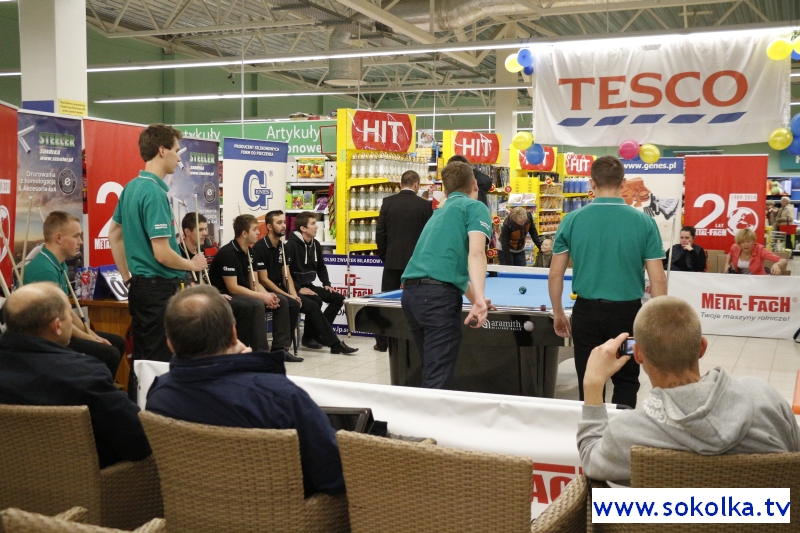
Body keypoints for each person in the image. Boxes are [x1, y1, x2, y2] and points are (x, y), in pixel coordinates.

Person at [146, 285, 345, 497]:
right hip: (280, 511)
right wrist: (251, 370)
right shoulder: (278, 396)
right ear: (234, 334)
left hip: (189, 509)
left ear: (170, 344)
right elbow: (335, 474)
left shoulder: (159, 395)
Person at [577, 296, 800, 485]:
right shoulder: (764, 398)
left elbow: (590, 459)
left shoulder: (628, 432)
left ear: (637, 355)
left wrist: (593, 384)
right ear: (702, 347)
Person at [549, 155, 667, 409]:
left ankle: (592, 429)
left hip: (586, 315)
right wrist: (658, 321)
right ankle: (622, 427)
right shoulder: (644, 222)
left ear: (591, 183)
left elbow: (555, 274)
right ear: (623, 183)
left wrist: (558, 313)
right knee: (627, 378)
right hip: (628, 317)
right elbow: (658, 278)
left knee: (589, 378)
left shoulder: (572, 220)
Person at [0, 283, 151, 468]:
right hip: (81, 477)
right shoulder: (84, 374)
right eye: (68, 316)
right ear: (57, 326)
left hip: (9, 475)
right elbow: (140, 441)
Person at [109, 124, 207, 366]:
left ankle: (141, 393)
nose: (179, 157)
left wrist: (127, 279)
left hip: (140, 289)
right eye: (176, 150)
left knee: (143, 359)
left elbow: (114, 234)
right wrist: (192, 264)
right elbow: (162, 254)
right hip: (158, 291)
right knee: (158, 363)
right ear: (162, 150)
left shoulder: (131, 187)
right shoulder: (153, 193)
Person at [401, 161, 493, 389]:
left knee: (431, 370)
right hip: (437, 299)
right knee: (437, 379)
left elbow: (446, 269)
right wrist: (480, 299)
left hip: (412, 296)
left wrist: (476, 299)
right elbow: (477, 253)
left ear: (445, 189)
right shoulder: (475, 207)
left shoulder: (439, 213)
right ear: (474, 184)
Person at [24, 211, 125, 376]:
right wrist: (91, 339)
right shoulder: (44, 270)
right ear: (58, 238)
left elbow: (66, 311)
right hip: (45, 338)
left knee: (117, 343)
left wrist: (90, 333)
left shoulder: (58, 263)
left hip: (57, 329)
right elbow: (57, 321)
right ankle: (92, 389)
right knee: (109, 353)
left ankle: (96, 386)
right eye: (76, 236)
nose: (81, 241)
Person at [251, 210, 358, 355]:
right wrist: (294, 292)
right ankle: (332, 343)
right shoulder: (272, 247)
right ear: (269, 227)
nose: (284, 225)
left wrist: (321, 285)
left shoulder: (283, 246)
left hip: (293, 287)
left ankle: (316, 337)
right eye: (279, 222)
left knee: (331, 299)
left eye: (284, 222)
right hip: (274, 289)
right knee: (311, 303)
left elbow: (287, 274)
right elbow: (264, 279)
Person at [208, 214, 300, 362]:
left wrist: (269, 296)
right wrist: (262, 297)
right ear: (245, 233)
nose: (258, 232)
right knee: (256, 304)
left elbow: (254, 283)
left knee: (282, 301)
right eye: (255, 229)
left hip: (243, 293)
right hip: (225, 295)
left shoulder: (250, 252)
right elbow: (233, 288)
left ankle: (280, 349)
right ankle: (261, 353)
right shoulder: (228, 253)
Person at [180, 212, 268, 351]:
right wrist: (214, 295)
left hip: (210, 294)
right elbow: (188, 284)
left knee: (251, 305)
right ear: (187, 232)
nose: (205, 233)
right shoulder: (179, 253)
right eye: (201, 229)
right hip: (190, 298)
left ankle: (247, 350)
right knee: (247, 307)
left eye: (205, 229)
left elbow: (202, 280)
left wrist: (213, 294)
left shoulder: (201, 250)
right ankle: (242, 351)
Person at [374, 170, 433, 352]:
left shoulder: (388, 202)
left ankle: (382, 342)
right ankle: (412, 339)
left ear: (401, 184)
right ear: (416, 184)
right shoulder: (425, 206)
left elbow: (380, 233)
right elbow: (428, 235)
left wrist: (385, 255)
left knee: (386, 303)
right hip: (416, 264)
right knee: (416, 303)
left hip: (392, 261)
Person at [284, 211, 345, 335]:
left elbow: (321, 267)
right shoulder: (291, 245)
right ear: (303, 228)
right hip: (294, 288)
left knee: (338, 298)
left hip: (309, 285)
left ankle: (320, 333)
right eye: (313, 224)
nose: (316, 226)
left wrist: (326, 283)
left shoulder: (315, 244)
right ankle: (310, 337)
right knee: (316, 300)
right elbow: (285, 273)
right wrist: (299, 289)